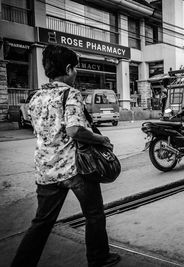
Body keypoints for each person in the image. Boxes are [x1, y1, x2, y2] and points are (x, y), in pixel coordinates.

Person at [11, 44, 121, 267]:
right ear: (69, 69)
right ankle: (99, 258)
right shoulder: (70, 94)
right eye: (76, 69)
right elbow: (74, 130)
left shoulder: (35, 97)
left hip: (46, 169)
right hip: (75, 169)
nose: (76, 73)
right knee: (94, 214)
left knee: (41, 222)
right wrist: (102, 140)